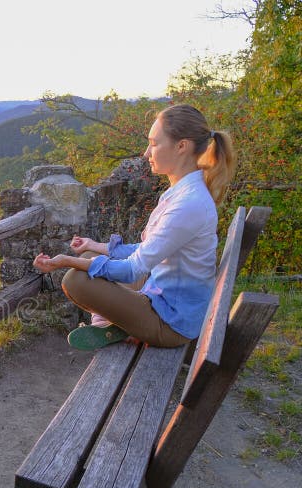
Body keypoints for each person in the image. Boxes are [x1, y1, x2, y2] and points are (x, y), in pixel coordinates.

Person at [32, 104, 236, 350]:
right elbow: (148, 249)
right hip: (164, 294)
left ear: (181, 146)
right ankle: (114, 324)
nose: (146, 153)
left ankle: (113, 324)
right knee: (90, 256)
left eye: (154, 143)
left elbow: (133, 270)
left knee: (75, 280)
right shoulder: (184, 192)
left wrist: (66, 260)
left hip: (172, 324)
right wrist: (95, 246)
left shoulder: (188, 204)